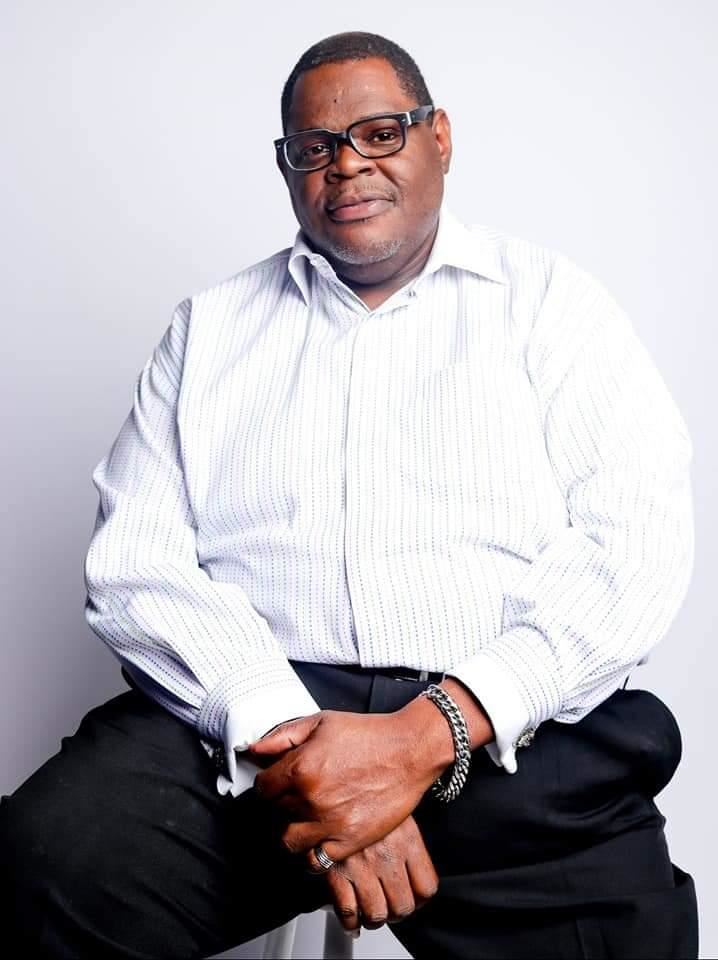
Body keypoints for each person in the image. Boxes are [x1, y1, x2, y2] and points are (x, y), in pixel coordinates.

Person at [0, 30, 698, 960]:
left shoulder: (553, 306)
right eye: (314, 147)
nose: (347, 165)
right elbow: (137, 564)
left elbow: (635, 547)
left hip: (503, 726)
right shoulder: (209, 330)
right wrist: (305, 753)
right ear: (288, 168)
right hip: (256, 726)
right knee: (42, 861)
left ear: (439, 137)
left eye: (379, 133)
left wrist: (421, 739)